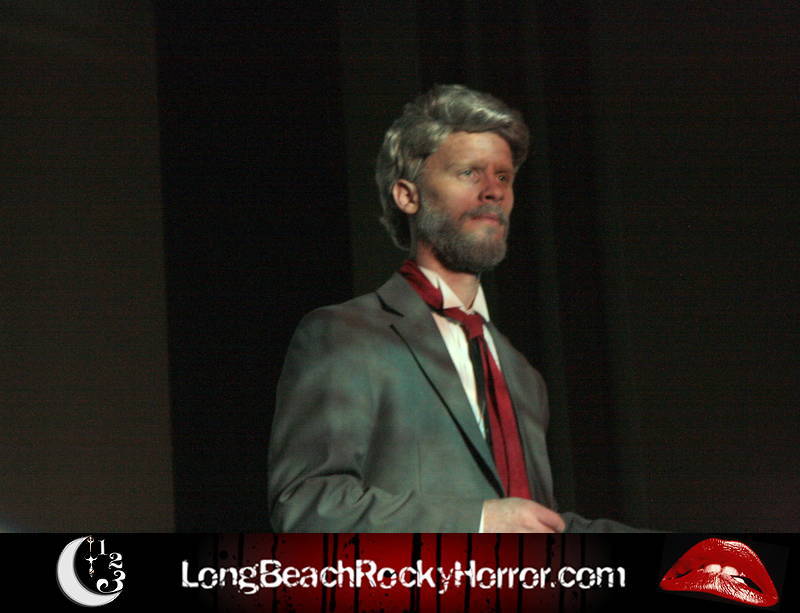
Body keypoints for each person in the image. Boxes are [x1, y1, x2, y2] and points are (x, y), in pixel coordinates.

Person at [269, 84, 637, 532]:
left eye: (504, 177)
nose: (493, 191)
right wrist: (477, 522)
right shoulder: (344, 334)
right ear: (408, 196)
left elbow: (537, 526)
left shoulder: (522, 375)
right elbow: (308, 507)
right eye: (469, 172)